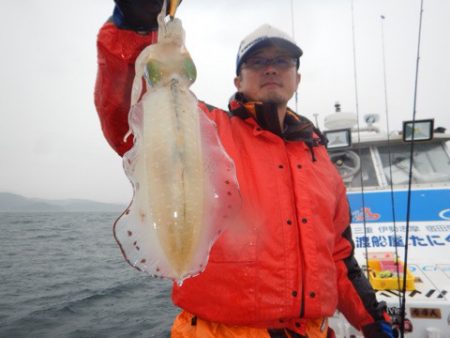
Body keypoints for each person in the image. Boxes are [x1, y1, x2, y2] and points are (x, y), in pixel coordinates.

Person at [95, 1, 395, 337]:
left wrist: (370, 320)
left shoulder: (321, 162)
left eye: (282, 61)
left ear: (297, 76)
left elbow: (338, 257)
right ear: (238, 78)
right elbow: (127, 115)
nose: (270, 69)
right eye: (257, 62)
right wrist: (135, 27)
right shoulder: (204, 126)